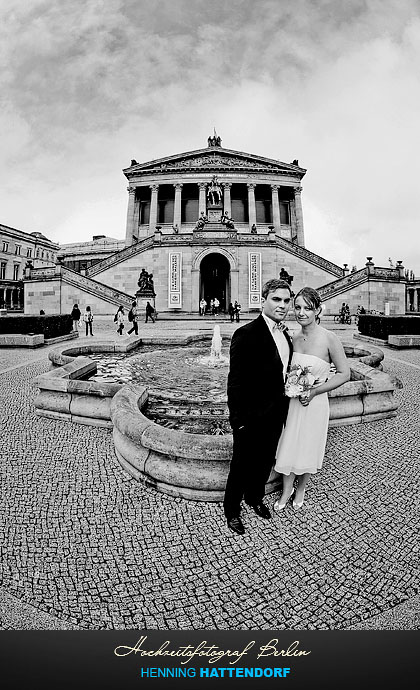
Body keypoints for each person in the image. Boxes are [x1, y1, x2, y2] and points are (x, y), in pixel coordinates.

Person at [223, 279, 293, 535]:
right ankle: (231, 510)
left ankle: (254, 498)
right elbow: (236, 382)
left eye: (286, 300)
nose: (282, 305)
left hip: (277, 412)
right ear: (263, 299)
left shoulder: (285, 334)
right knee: (240, 464)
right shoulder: (246, 333)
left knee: (265, 460)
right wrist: (238, 421)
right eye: (276, 299)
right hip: (250, 416)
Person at [273, 287, 350, 511]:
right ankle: (287, 488)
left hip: (315, 402)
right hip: (292, 402)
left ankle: (301, 488)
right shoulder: (293, 337)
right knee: (288, 442)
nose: (301, 312)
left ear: (317, 310)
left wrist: (316, 390)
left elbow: (344, 374)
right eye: (297, 307)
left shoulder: (329, 338)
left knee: (308, 444)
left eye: (307, 308)